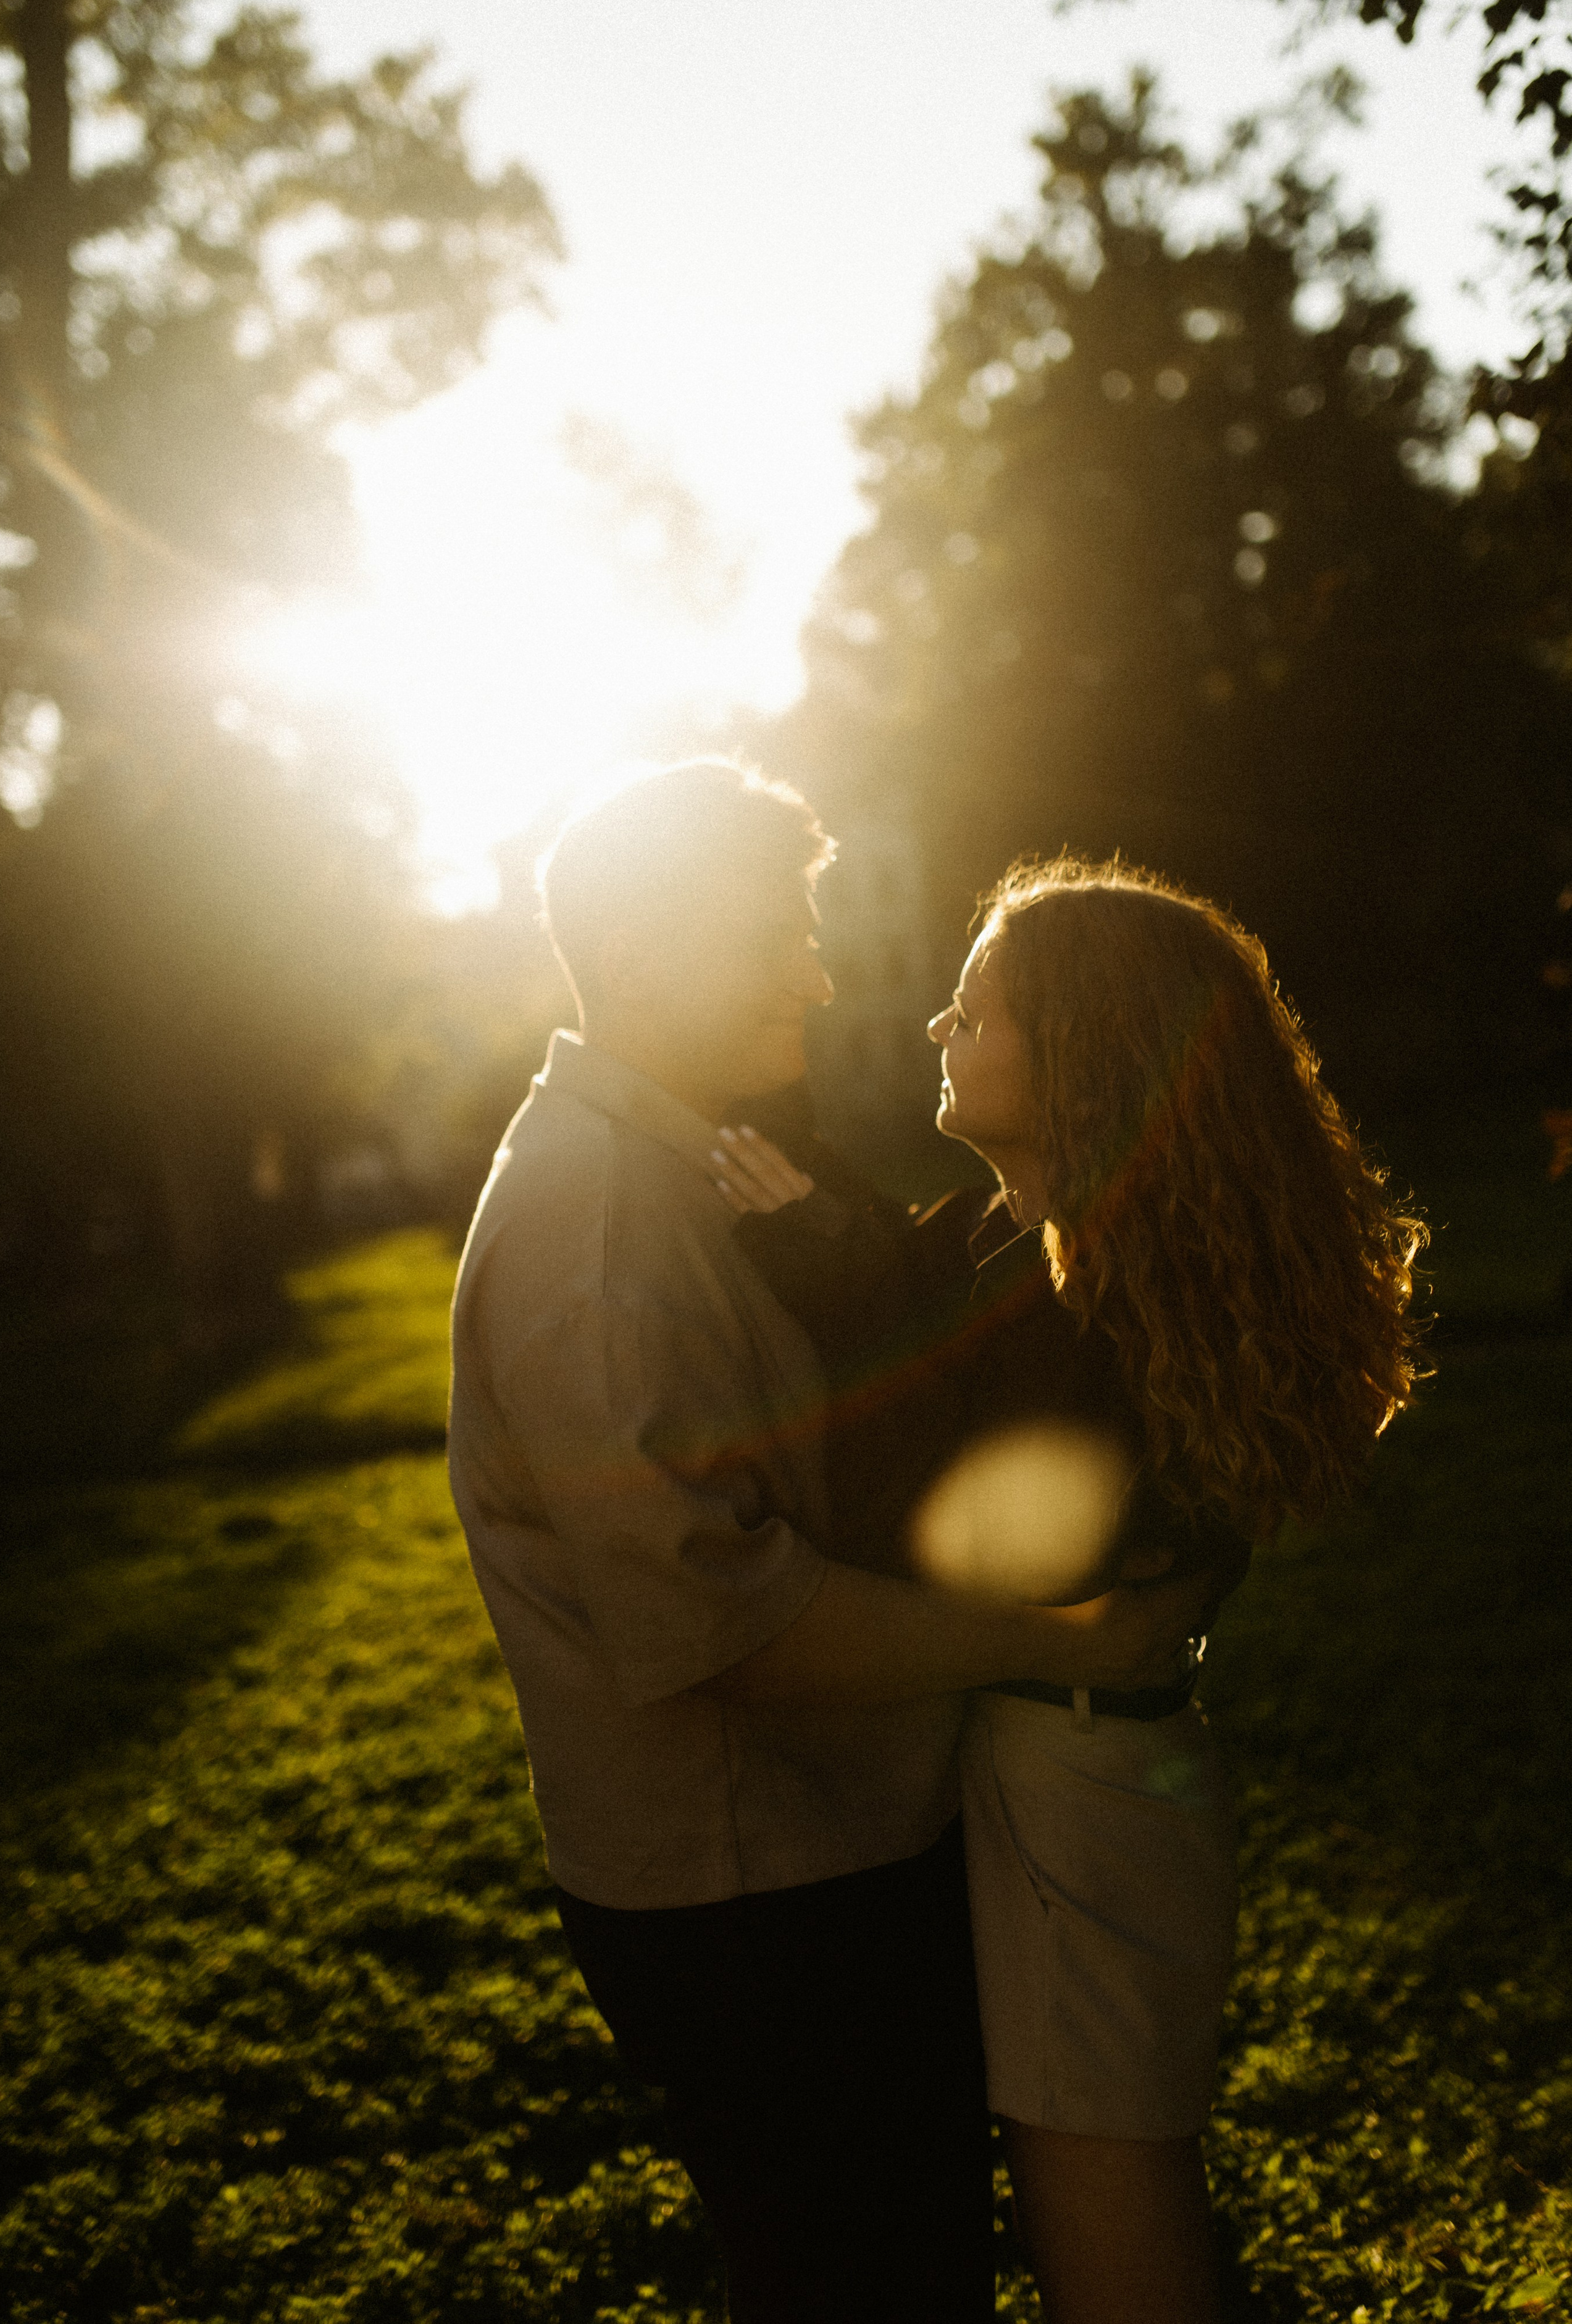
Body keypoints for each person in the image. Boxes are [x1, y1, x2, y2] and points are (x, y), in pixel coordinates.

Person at [446, 764, 1227, 2323]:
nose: (816, 973)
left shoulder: (695, 1174)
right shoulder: (598, 1229)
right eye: (775, 933)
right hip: (757, 1909)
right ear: (654, 941)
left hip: (832, 1864)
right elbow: (727, 1628)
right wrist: (1060, 1642)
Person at [709, 853, 1426, 2324]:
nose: (935, 1030)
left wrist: (803, 1255)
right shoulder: (1048, 1258)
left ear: (1085, 1055)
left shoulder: (1090, 1312)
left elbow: (911, 1488)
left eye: (973, 1012)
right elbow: (924, 1304)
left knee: (1102, 2212)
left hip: (1086, 1787)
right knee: (1087, 2186)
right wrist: (822, 1233)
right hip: (1065, 1758)